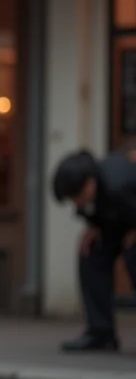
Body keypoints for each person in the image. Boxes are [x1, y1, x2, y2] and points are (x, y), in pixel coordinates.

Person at [52, 149, 136, 352]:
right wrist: (94, 228)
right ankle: (101, 333)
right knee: (91, 254)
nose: (76, 203)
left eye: (76, 196)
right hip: (118, 227)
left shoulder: (120, 180)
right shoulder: (89, 198)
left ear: (89, 183)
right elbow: (100, 216)